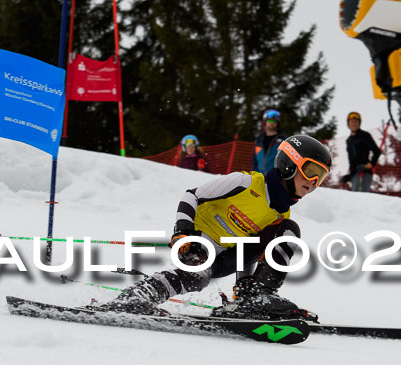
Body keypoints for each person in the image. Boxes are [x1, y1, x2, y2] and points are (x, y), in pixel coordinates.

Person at [98, 135, 332, 321]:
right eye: (311, 171)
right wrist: (182, 231)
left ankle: (255, 298)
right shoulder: (247, 182)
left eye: (320, 177)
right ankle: (138, 297)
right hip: (198, 241)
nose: (313, 182)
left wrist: (244, 290)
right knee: (197, 276)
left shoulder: (281, 214)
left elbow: (249, 252)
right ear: (289, 164)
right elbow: (192, 196)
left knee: (289, 230)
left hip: (226, 258)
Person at [341, 111, 381, 192]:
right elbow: (352, 160)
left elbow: (376, 151)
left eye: (356, 122)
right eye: (352, 122)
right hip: (355, 173)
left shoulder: (364, 135)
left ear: (359, 123)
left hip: (364, 171)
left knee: (362, 196)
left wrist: (371, 164)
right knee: (354, 196)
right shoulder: (349, 140)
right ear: (348, 124)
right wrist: (349, 175)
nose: (354, 124)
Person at [254, 109, 286, 175]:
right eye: (269, 120)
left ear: (277, 123)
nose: (272, 123)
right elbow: (255, 162)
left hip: (275, 178)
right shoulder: (258, 141)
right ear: (265, 122)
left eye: (274, 121)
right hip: (260, 178)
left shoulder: (283, 140)